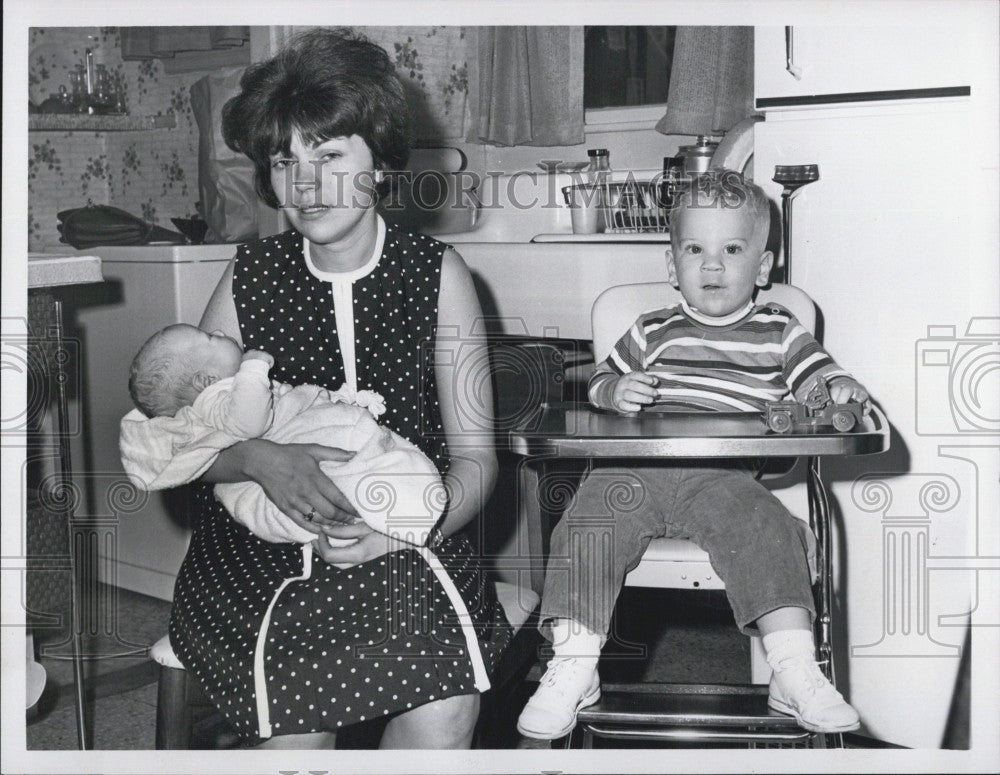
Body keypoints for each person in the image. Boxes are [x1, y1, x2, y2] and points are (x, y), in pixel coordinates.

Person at [157, 28, 511, 749]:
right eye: (285, 160)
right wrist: (258, 459)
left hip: (416, 532)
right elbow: (178, 448)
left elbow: (477, 463)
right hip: (258, 546)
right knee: (300, 720)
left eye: (328, 155)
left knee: (443, 705)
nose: (305, 183)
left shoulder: (439, 276)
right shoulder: (248, 278)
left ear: (379, 163)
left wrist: (398, 532)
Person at [516, 171, 871, 740]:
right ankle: (575, 665)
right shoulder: (652, 330)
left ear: (762, 267)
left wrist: (839, 389)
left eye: (732, 250)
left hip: (724, 477)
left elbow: (816, 380)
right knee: (587, 521)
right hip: (633, 472)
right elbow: (600, 381)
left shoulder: (780, 332)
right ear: (671, 263)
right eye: (695, 249)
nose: (712, 265)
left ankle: (795, 667)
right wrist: (614, 391)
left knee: (769, 527)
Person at [119, 323, 444, 549]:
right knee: (357, 476)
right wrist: (254, 368)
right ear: (206, 380)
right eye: (210, 338)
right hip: (283, 459)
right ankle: (405, 519)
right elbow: (250, 423)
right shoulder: (215, 400)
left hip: (293, 451)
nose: (219, 332)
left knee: (362, 474)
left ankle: (398, 522)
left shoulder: (213, 398)